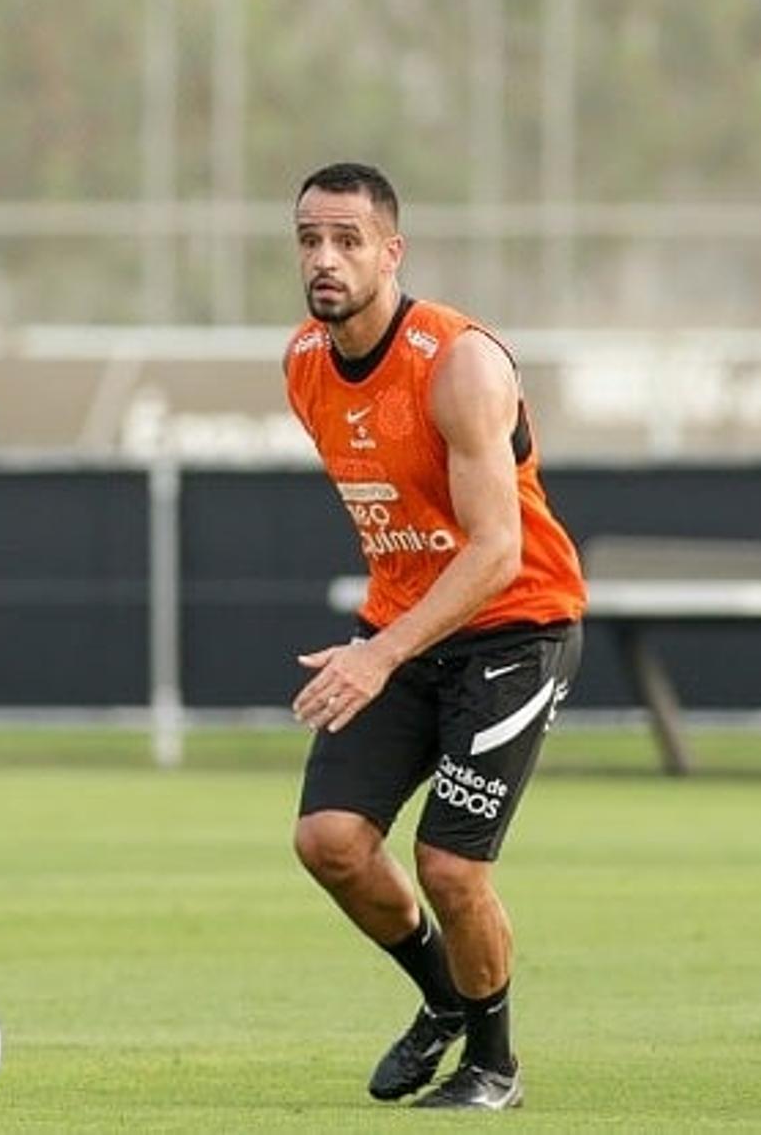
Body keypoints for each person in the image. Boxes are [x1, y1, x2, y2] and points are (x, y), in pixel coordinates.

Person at [282, 161, 586, 1111]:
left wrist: (380, 652)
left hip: (516, 628)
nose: (324, 260)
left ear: (392, 252)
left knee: (450, 866)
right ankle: (446, 1002)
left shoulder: (459, 365)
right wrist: (386, 640)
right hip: (407, 633)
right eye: (308, 241)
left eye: (347, 241)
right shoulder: (303, 364)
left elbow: (496, 550)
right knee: (329, 842)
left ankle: (495, 1067)